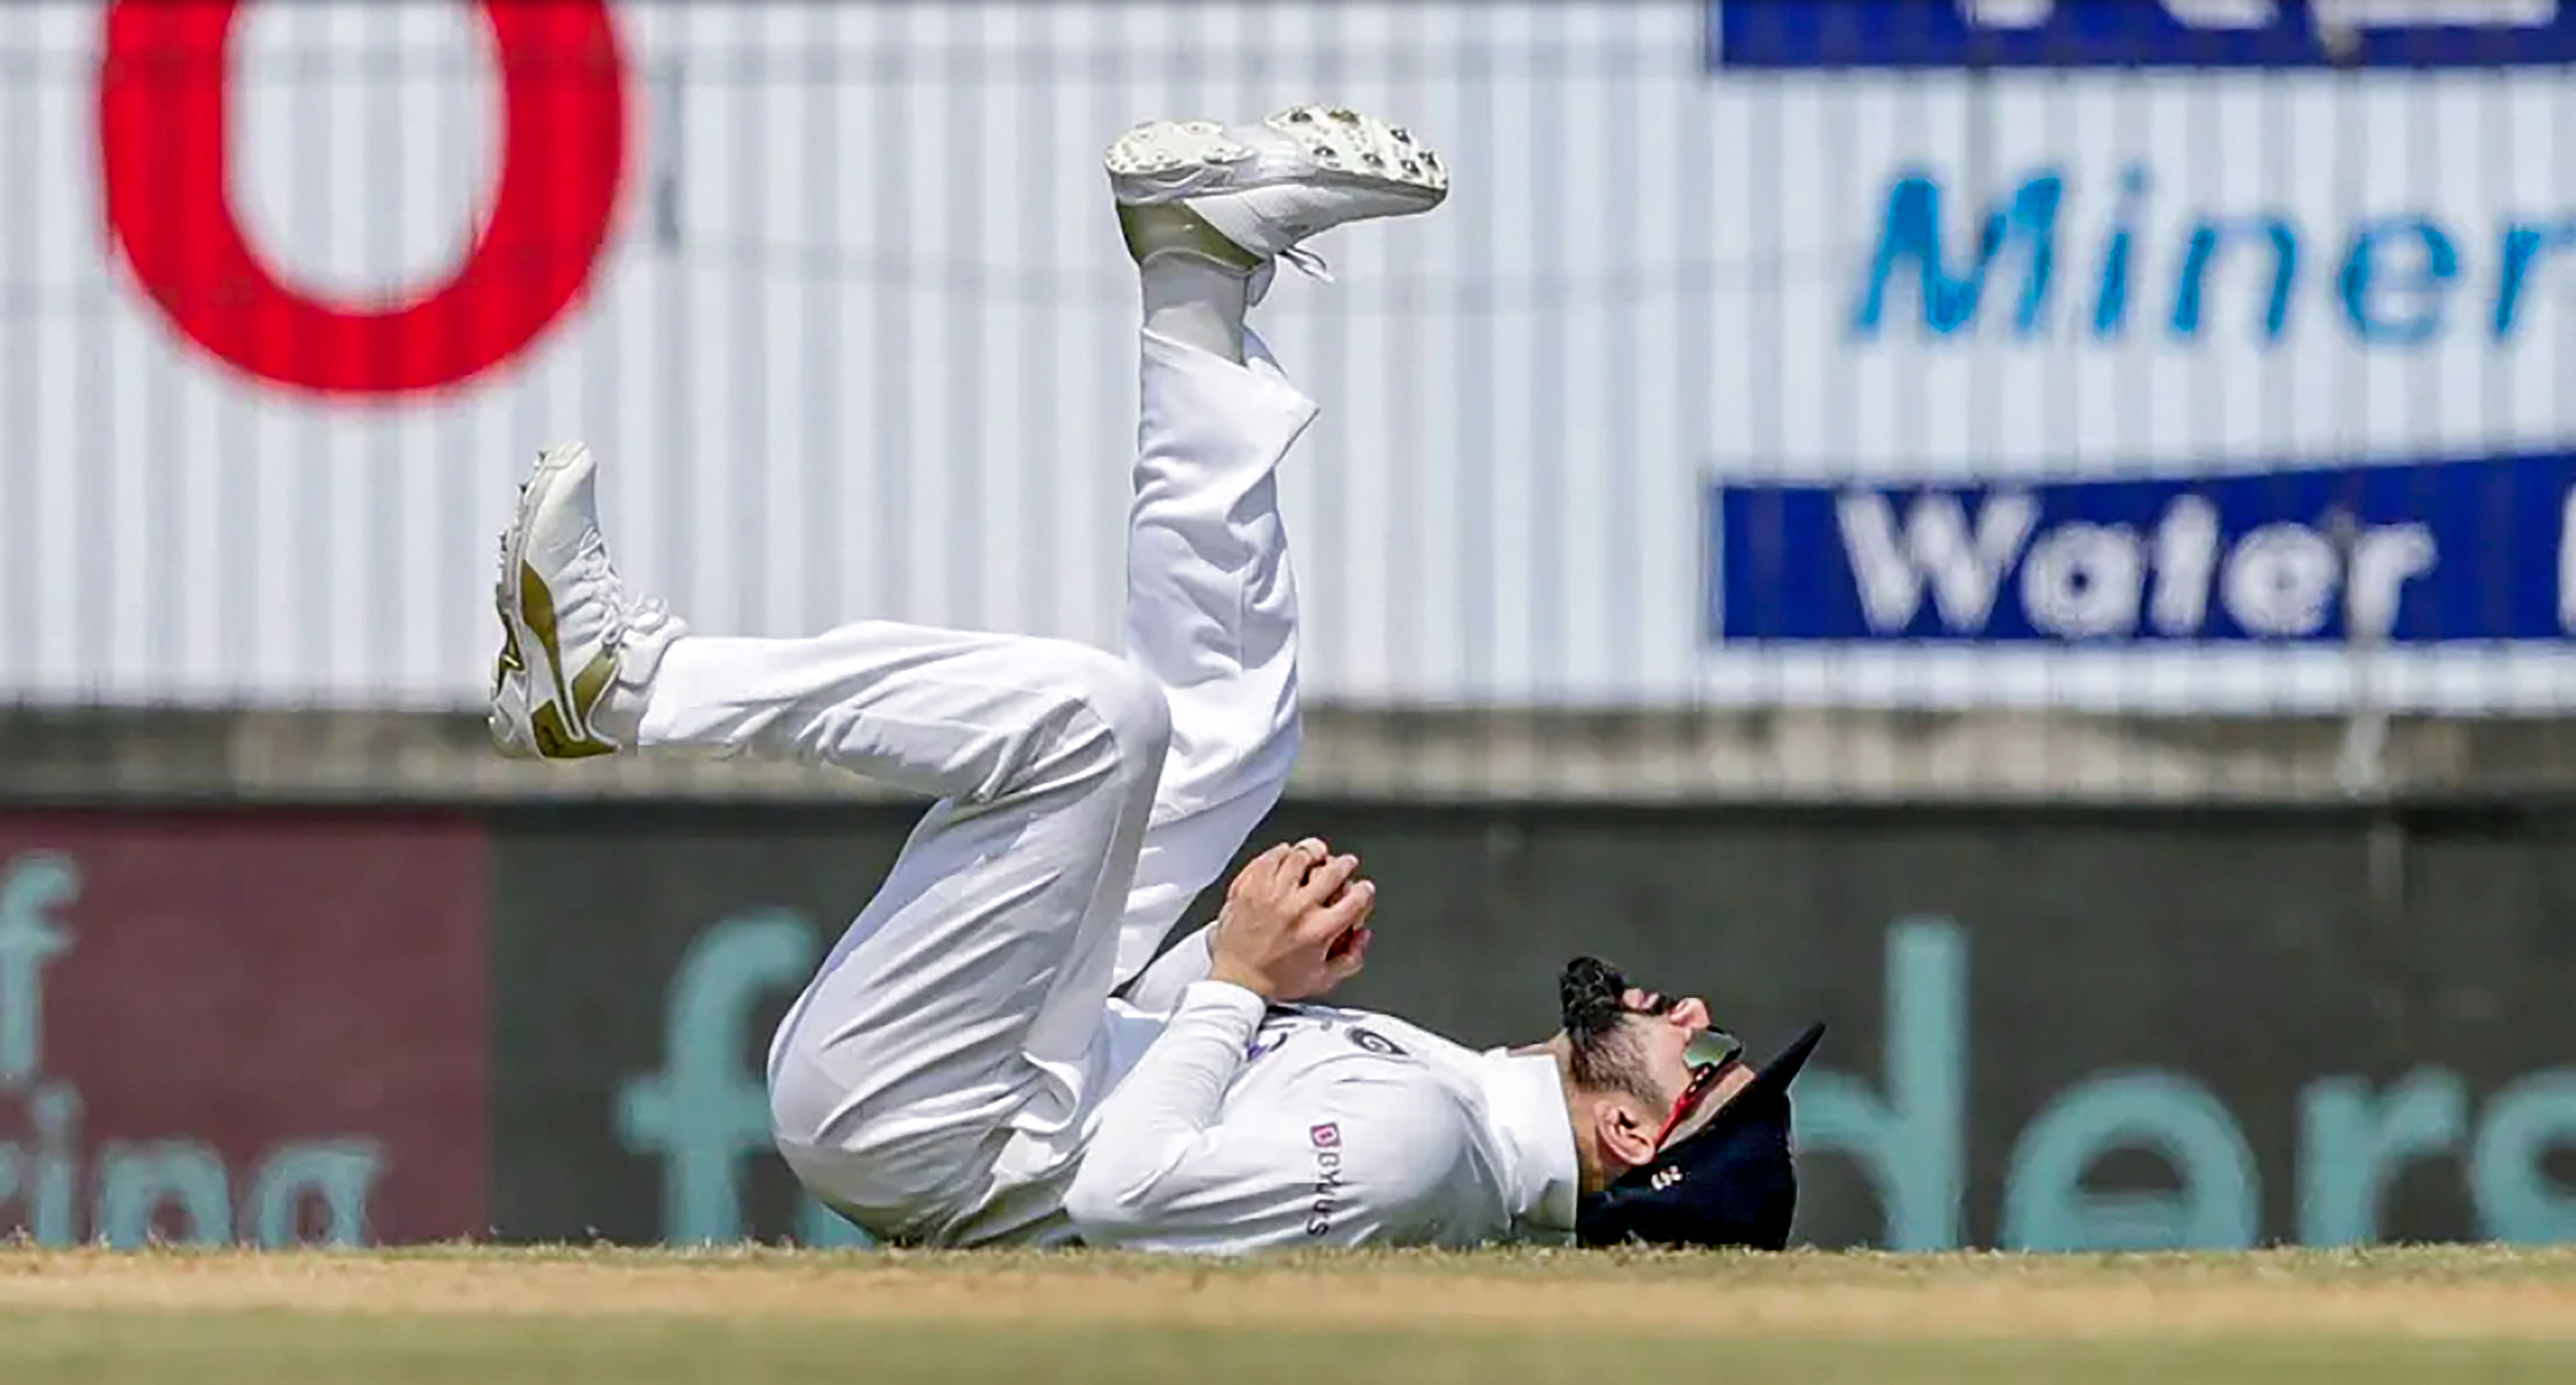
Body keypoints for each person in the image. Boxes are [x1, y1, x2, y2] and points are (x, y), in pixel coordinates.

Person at [486, 104, 1821, 1253]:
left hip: (927, 1119)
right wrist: (1225, 978)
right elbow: (1153, 1101)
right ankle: (1198, 274)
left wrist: (1241, 976)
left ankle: (624, 686)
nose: (1697, 1015)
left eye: (1707, 1064)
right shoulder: (1456, 1107)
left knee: (1097, 722)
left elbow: (1125, 1197)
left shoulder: (1429, 1151)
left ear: (1638, 1133)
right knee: (1226, 729)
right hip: (1029, 1072)